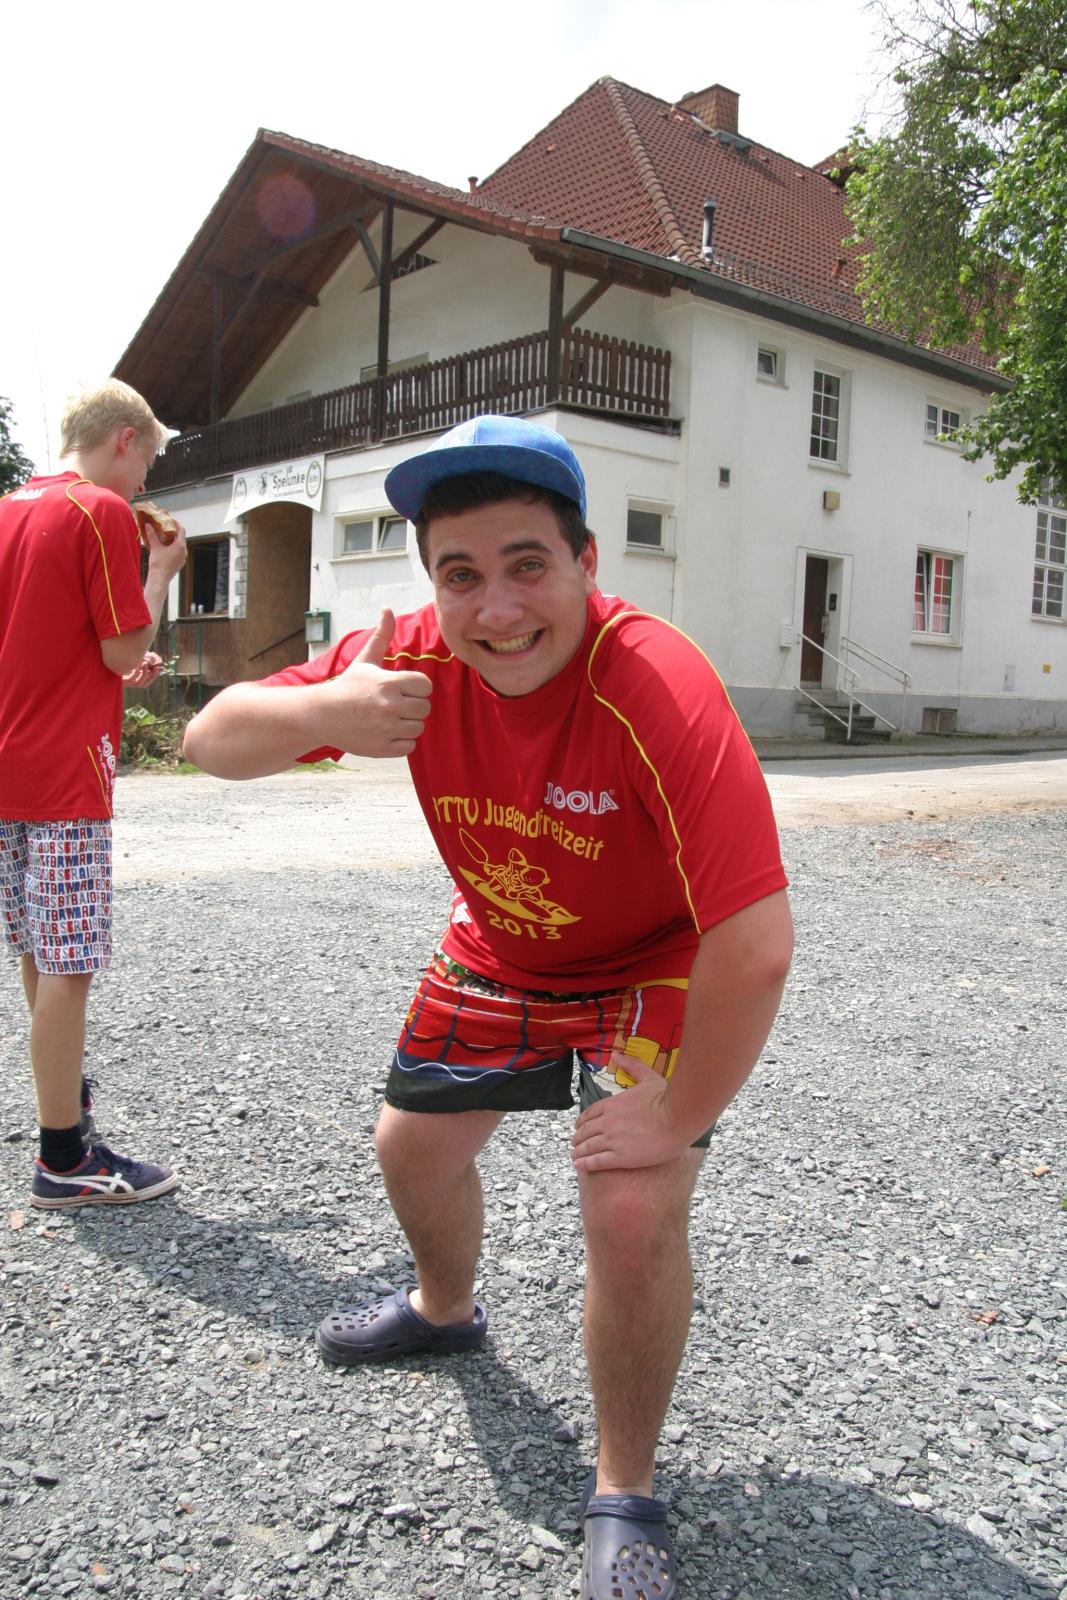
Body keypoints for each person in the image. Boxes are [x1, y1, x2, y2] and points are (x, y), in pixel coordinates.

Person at [183, 414, 793, 1600]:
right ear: (430, 585)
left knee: (629, 1205)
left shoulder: (654, 679)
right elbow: (208, 740)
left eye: (527, 564)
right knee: (408, 1148)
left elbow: (754, 943)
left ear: (585, 562)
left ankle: (623, 1484)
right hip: (504, 948)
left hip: (652, 965)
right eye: (460, 573)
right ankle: (442, 1307)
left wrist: (675, 1113)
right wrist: (320, 713)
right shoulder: (410, 658)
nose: (497, 607)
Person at [0, 379, 187, 1209]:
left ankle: (65, 1113)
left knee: (39, 953)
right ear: (124, 439)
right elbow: (122, 648)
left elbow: (61, 643)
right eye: (148, 460)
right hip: (65, 770)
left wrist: (110, 663)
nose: (145, 481)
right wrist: (162, 570)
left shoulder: (8, 508)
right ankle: (64, 1160)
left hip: (7, 762)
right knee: (70, 962)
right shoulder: (99, 511)